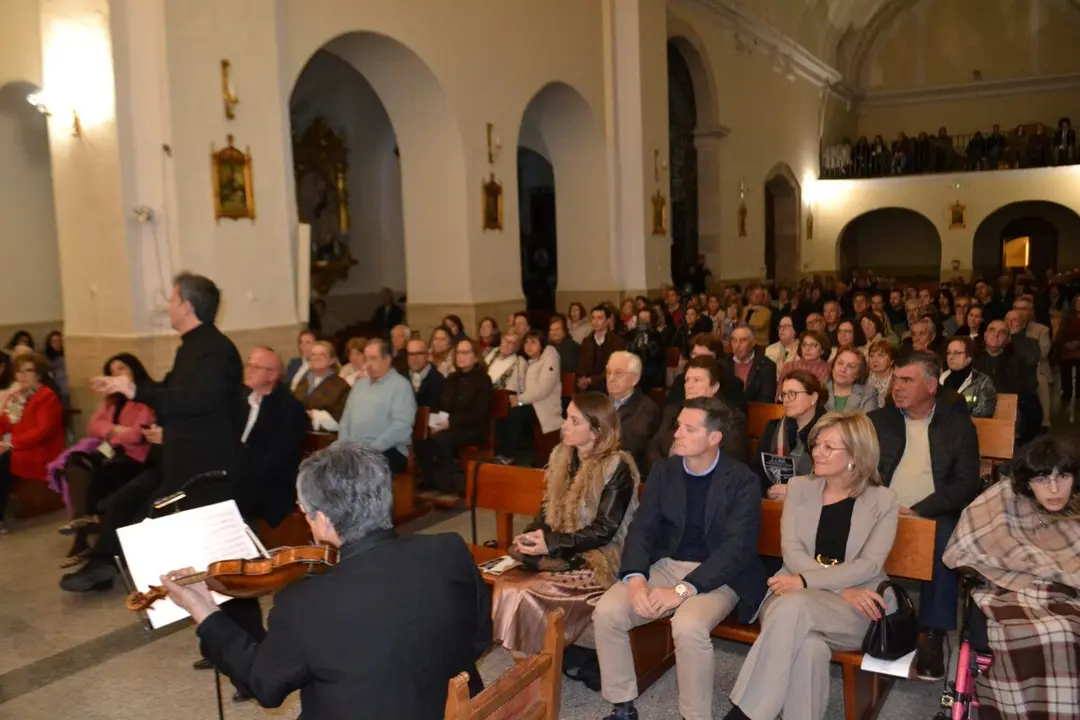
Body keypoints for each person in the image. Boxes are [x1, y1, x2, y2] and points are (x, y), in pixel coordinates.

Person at [163, 442, 493, 719]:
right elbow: (479, 638)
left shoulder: (303, 603)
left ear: (321, 520)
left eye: (303, 510)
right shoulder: (449, 548)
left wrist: (205, 610)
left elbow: (264, 684)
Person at [593, 396, 766, 720]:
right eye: (678, 426)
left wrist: (682, 591)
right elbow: (642, 529)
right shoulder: (664, 471)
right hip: (667, 564)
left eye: (689, 428)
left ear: (714, 438)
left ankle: (694, 716)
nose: (677, 434)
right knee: (607, 611)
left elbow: (736, 550)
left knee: (687, 625)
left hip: (718, 574)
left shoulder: (742, 480)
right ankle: (623, 707)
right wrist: (635, 580)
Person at [726, 413, 899, 720]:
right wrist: (835, 587)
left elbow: (869, 564)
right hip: (802, 592)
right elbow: (791, 551)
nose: (817, 452)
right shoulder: (799, 487)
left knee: (793, 609)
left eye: (828, 447)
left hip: (856, 608)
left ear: (856, 456)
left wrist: (807, 583)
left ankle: (745, 714)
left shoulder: (883, 501)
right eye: (817, 444)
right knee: (809, 646)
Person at [943, 436, 1080, 720]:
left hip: (1070, 593)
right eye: (1042, 479)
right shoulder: (1002, 500)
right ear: (1027, 481)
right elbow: (963, 546)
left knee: (1064, 628)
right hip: (1008, 590)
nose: (1054, 489)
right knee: (1055, 632)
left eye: (1063, 476)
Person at [493, 393, 639, 653]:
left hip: (598, 557)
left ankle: (537, 660)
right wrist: (532, 536)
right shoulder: (563, 456)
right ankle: (528, 659)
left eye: (574, 421)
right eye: (567, 418)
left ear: (595, 431)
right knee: (506, 583)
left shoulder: (616, 467)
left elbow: (604, 531)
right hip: (562, 548)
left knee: (529, 589)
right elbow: (547, 511)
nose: (564, 426)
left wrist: (550, 545)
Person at [868, 351, 981, 681]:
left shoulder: (958, 426)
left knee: (941, 537)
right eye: (895, 379)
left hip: (932, 513)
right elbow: (860, 471)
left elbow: (965, 484)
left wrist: (919, 510)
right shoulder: (877, 421)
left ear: (932, 385)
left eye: (907, 380)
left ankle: (932, 633)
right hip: (881, 507)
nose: (897, 387)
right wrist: (882, 503)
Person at [55, 353, 155, 564]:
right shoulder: (112, 400)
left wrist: (111, 432)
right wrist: (117, 430)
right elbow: (92, 426)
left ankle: (82, 532)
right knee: (76, 462)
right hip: (110, 454)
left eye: (121, 369)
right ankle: (83, 521)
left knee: (99, 474)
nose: (115, 375)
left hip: (134, 459)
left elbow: (137, 435)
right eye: (111, 371)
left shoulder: (145, 397)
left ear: (134, 370)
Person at [0, 352, 66, 533]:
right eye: (19, 372)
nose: (22, 376)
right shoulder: (16, 396)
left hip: (40, 450)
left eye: (28, 371)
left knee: (3, 461)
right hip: (18, 446)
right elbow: (4, 422)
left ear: (38, 374)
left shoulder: (47, 397)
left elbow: (42, 432)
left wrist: (9, 443)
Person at [419, 338, 493, 495]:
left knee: (441, 439)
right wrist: (434, 421)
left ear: (475, 357)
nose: (461, 356)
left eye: (465, 352)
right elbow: (440, 403)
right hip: (449, 425)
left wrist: (450, 422)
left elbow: (480, 413)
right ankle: (429, 480)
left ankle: (448, 484)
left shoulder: (483, 380)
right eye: (458, 352)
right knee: (422, 434)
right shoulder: (452, 378)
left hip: (473, 428)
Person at [647, 357, 747, 469]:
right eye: (687, 380)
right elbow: (653, 446)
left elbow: (730, 459)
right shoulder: (672, 411)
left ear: (715, 387)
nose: (689, 386)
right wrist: (664, 470)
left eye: (697, 380)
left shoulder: (731, 418)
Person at [337, 339, 417, 474]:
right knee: (326, 464)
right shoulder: (359, 385)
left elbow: (401, 427)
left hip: (388, 450)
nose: (368, 364)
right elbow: (346, 421)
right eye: (366, 359)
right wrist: (345, 447)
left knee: (359, 470)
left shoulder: (400, 386)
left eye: (373, 359)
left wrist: (371, 449)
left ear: (387, 359)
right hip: (356, 450)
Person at [755, 371, 828, 498]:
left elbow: (835, 483)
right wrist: (767, 491)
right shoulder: (773, 429)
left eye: (793, 394)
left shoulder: (832, 432)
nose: (786, 400)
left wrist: (795, 491)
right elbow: (756, 473)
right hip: (773, 505)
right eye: (784, 394)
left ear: (814, 398)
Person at [605, 351, 660, 473]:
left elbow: (630, 445)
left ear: (635, 379)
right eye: (608, 372)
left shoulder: (647, 408)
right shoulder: (599, 403)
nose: (611, 378)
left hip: (626, 471)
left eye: (618, 373)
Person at [293, 341, 351, 432]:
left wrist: (314, 415)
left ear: (331, 360)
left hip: (324, 439)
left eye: (322, 355)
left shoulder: (341, 386)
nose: (316, 358)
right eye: (313, 355)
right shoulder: (303, 382)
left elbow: (341, 420)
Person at [941, 336, 996, 417]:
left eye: (956, 353)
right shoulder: (942, 379)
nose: (951, 357)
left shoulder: (982, 382)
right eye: (948, 353)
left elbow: (984, 412)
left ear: (969, 357)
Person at [723, 325, 778, 404]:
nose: (737, 345)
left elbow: (766, 401)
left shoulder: (767, 366)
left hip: (757, 414)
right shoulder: (723, 365)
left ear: (753, 343)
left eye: (743, 340)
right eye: (734, 340)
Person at [825, 349, 880, 413]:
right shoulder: (819, 388)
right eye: (840, 363)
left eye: (851, 366)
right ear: (833, 366)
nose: (843, 369)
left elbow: (867, 422)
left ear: (858, 373)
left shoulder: (869, 393)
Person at [401, 337, 445, 408]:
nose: (414, 358)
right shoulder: (401, 378)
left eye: (419, 353)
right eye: (410, 354)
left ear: (427, 355)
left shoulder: (438, 380)